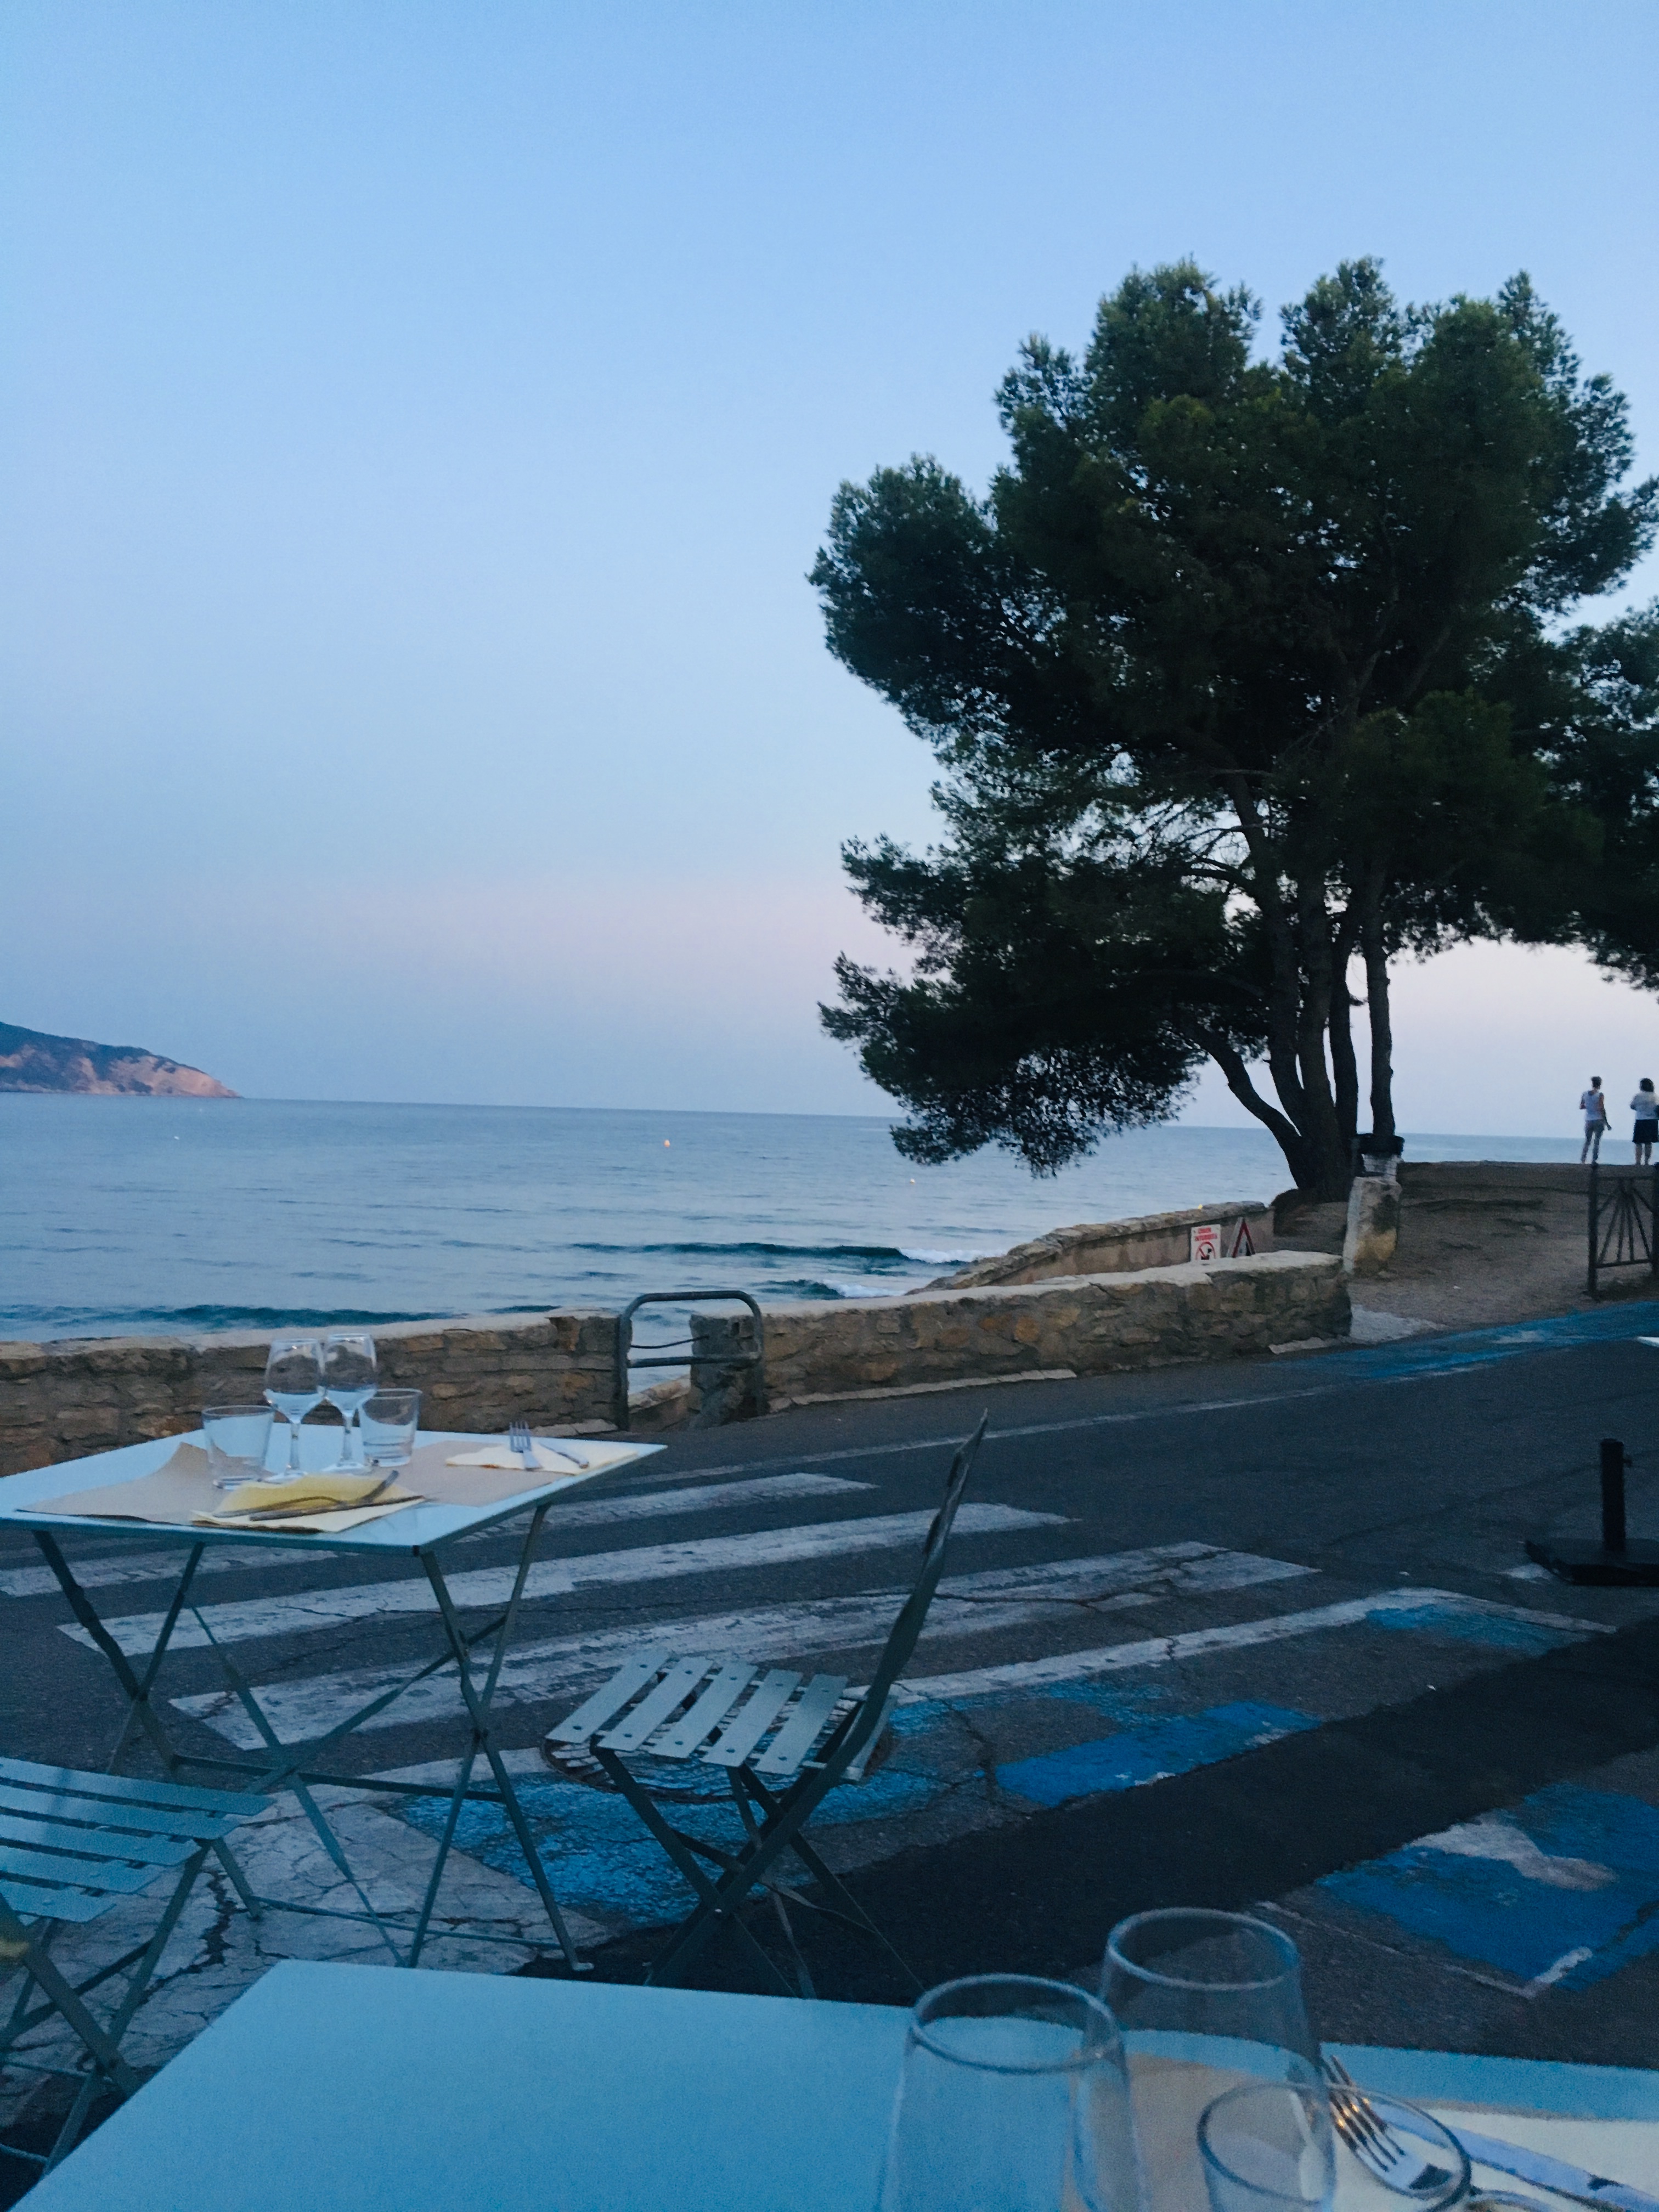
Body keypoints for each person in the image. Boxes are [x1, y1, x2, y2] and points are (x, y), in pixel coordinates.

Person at [1581, 1078, 1610, 1162]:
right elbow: (1601, 1108)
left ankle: (1583, 1159)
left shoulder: (1585, 1094)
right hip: (1598, 1120)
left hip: (1588, 1120)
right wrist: (1606, 1123)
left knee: (1588, 1141)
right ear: (1600, 1084)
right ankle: (1594, 1159)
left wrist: (1589, 1107)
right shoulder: (1600, 1095)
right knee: (1597, 1141)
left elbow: (1581, 1106)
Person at [1633, 1080, 1658, 1167]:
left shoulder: (1638, 1096)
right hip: (1652, 1120)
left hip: (1640, 1120)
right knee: (1649, 1143)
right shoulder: (1655, 1096)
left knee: (1638, 1142)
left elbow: (1632, 1106)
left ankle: (1638, 1162)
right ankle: (1647, 1162)